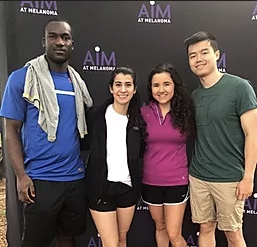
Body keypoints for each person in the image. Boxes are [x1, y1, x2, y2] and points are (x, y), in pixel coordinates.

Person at [0, 18, 93, 247]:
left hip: (74, 179)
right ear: (44, 41)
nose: (59, 42)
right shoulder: (22, 78)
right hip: (40, 180)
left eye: (65, 37)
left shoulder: (77, 82)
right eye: (53, 36)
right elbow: (11, 129)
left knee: (68, 239)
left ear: (72, 43)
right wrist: (21, 175)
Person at [184, 31, 257, 247]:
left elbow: (252, 134)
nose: (198, 59)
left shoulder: (240, 87)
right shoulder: (195, 95)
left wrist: (248, 177)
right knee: (205, 228)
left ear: (216, 54)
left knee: (233, 234)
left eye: (204, 52)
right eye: (192, 55)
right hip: (199, 176)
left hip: (230, 179)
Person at [83, 66, 146, 247]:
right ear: (111, 88)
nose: (123, 90)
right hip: (100, 188)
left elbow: (141, 152)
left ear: (134, 89)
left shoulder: (138, 121)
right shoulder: (96, 116)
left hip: (127, 188)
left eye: (128, 85)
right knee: (111, 243)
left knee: (122, 239)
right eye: (118, 84)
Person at [140, 63, 196, 247]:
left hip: (176, 182)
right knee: (160, 226)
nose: (161, 90)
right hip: (150, 181)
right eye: (156, 85)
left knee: (174, 233)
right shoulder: (143, 113)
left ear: (174, 86)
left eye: (166, 84)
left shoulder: (186, 113)